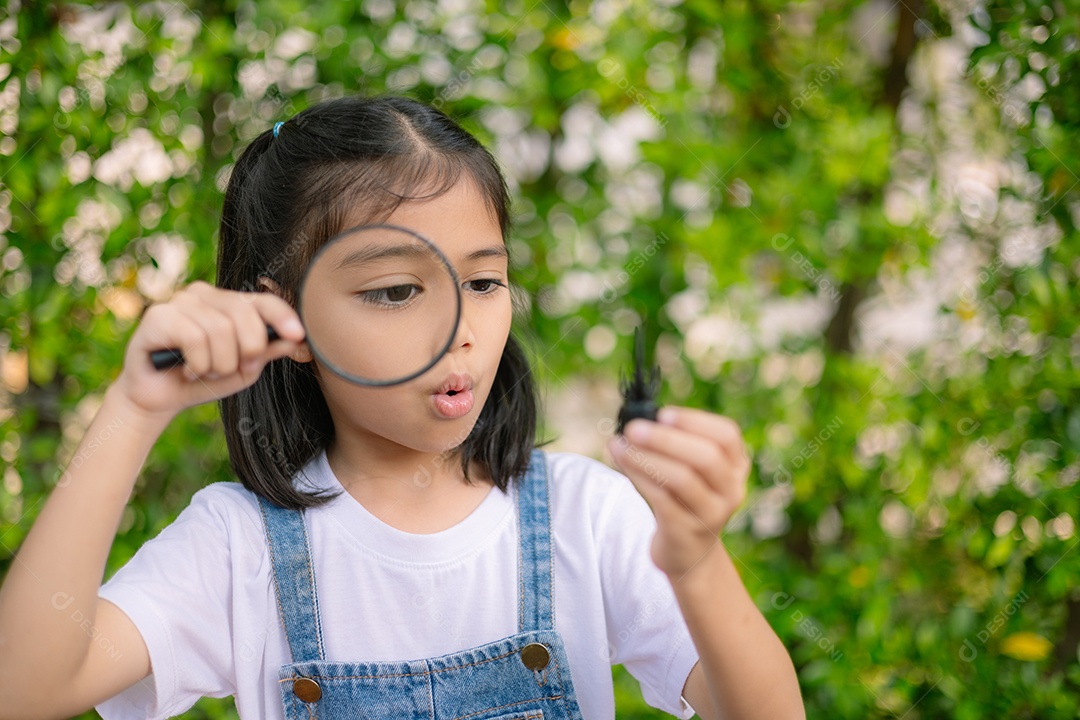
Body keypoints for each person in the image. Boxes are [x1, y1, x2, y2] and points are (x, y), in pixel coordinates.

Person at [0, 96, 804, 720]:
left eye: (484, 283)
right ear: (291, 318)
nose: (459, 331)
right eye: (394, 290)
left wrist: (696, 561)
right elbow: (24, 692)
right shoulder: (236, 547)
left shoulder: (585, 516)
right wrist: (134, 409)